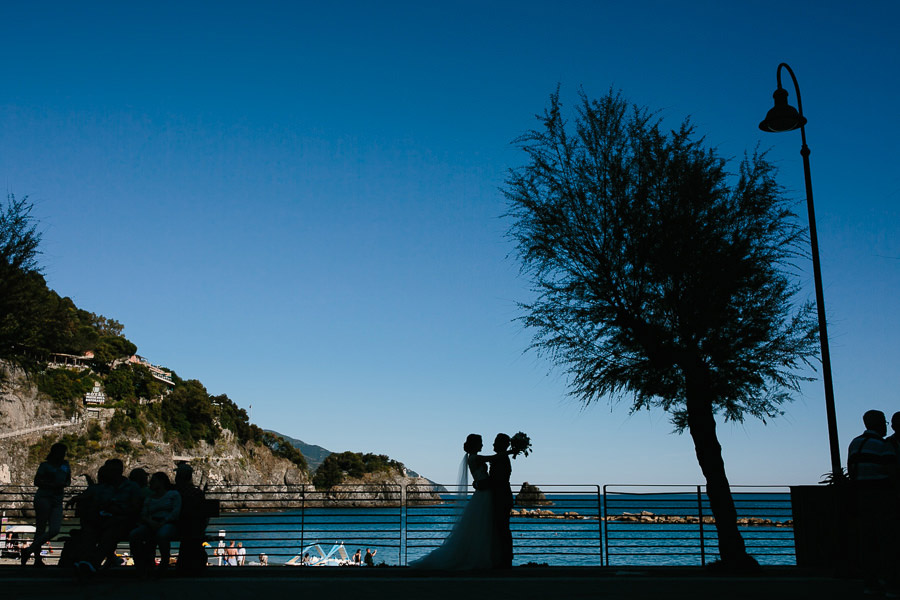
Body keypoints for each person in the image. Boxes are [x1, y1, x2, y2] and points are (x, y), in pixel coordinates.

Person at [409, 434, 493, 569]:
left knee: (478, 528)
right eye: (481, 442)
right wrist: (510, 451)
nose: (483, 445)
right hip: (483, 494)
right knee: (481, 527)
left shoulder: (472, 458)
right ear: (475, 444)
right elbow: (492, 458)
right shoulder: (475, 457)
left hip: (482, 493)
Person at [847, 410, 898, 596]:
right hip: (881, 496)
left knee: (867, 540)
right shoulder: (883, 445)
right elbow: (893, 473)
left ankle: (870, 582)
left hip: (861, 496)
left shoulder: (855, 443)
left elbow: (851, 471)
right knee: (887, 540)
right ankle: (891, 582)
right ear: (880, 424)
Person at [21, 443, 71, 567]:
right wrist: (51, 485)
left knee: (54, 530)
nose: (62, 455)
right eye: (61, 452)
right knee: (40, 528)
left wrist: (63, 484)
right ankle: (37, 559)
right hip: (44, 497)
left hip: (57, 499)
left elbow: (68, 480)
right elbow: (36, 481)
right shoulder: (45, 465)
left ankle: (28, 551)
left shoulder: (66, 465)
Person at [129, 471, 181, 574]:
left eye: (153, 481)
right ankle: (141, 566)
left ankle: (164, 562)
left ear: (161, 482)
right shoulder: (149, 498)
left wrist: (163, 522)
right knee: (134, 534)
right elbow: (144, 514)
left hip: (168, 523)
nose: (150, 483)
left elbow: (175, 512)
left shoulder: (173, 494)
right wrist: (151, 522)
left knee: (162, 534)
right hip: (151, 523)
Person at [486, 433, 514, 569]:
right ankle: (503, 558)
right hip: (503, 496)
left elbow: (497, 480)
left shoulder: (501, 459)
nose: (493, 445)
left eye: (495, 442)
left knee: (502, 529)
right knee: (502, 529)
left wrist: (480, 484)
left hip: (501, 497)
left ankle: (505, 559)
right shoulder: (502, 457)